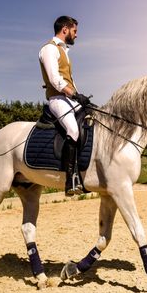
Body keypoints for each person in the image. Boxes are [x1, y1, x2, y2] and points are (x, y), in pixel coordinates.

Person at [39, 16, 90, 196]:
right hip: (57, 99)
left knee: (91, 119)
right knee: (73, 130)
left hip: (70, 99)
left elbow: (69, 79)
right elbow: (54, 80)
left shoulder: (64, 51)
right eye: (75, 31)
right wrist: (75, 94)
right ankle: (70, 180)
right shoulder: (48, 49)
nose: (76, 35)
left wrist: (80, 97)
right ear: (65, 29)